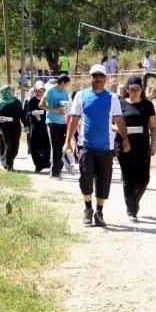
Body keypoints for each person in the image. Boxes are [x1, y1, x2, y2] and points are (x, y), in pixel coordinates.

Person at [63, 65, 131, 227]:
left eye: (101, 75)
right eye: (95, 75)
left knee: (104, 181)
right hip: (86, 146)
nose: (98, 78)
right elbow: (74, 120)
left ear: (106, 78)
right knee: (85, 178)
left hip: (106, 148)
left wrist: (125, 139)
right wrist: (67, 142)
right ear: (90, 77)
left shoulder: (113, 98)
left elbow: (119, 120)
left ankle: (99, 212)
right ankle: (88, 209)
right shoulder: (81, 95)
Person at [115, 76, 156, 222]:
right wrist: (123, 131)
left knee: (144, 179)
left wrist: (154, 143)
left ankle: (134, 201)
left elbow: (153, 126)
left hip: (143, 146)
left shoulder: (148, 105)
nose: (134, 92)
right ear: (127, 90)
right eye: (132, 89)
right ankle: (131, 210)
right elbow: (112, 124)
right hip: (124, 146)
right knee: (129, 179)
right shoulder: (120, 104)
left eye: (137, 89)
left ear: (142, 90)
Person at [40, 73, 71, 180]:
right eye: (67, 83)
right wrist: (54, 110)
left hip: (62, 122)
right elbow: (41, 105)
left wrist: (66, 110)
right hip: (52, 122)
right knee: (55, 147)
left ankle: (59, 170)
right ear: (63, 82)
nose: (67, 85)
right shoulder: (50, 91)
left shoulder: (65, 92)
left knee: (62, 148)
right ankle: (54, 172)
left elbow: (67, 103)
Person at [0, 84, 26, 171]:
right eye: (12, 91)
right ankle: (9, 165)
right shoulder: (1, 103)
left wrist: (26, 124)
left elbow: (22, 114)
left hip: (15, 127)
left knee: (15, 146)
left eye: (14, 90)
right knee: (8, 145)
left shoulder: (17, 102)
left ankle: (8, 160)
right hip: (5, 127)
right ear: (6, 92)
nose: (13, 92)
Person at [27, 81, 51, 172]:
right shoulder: (32, 100)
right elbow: (28, 112)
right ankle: (38, 164)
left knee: (46, 145)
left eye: (42, 90)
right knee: (35, 145)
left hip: (44, 125)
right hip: (35, 126)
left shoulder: (46, 100)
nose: (41, 92)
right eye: (39, 90)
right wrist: (33, 113)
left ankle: (45, 162)